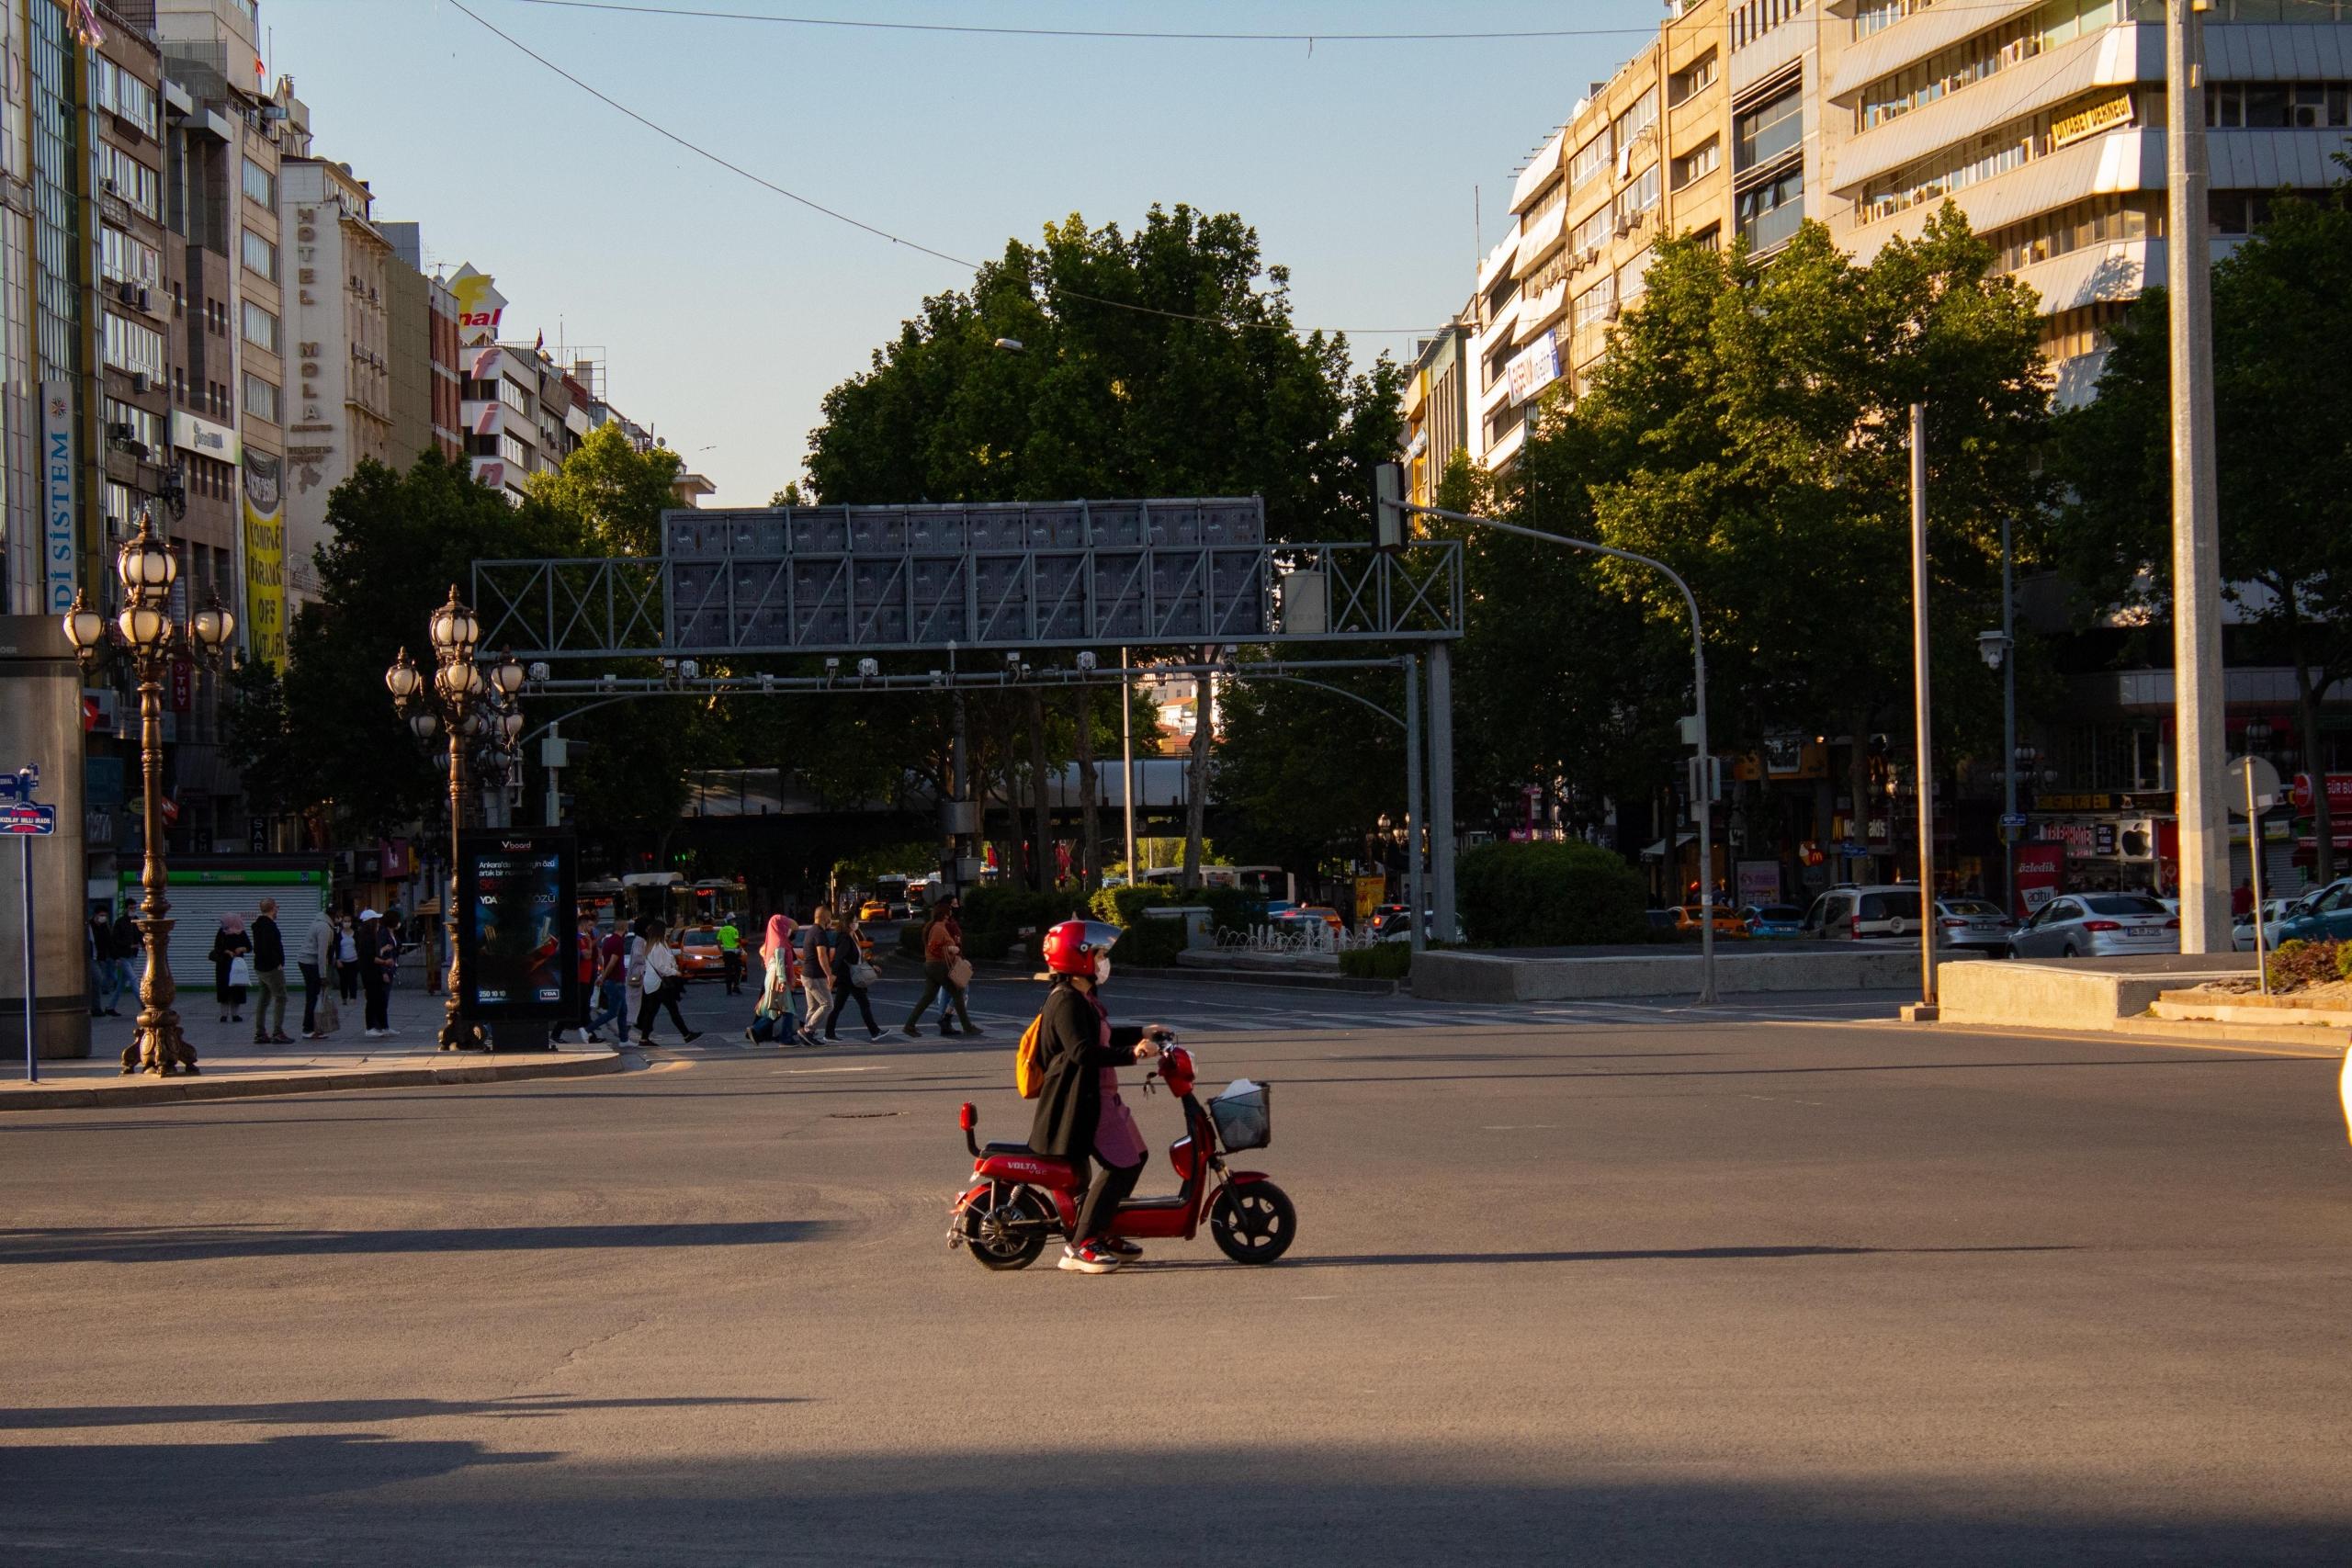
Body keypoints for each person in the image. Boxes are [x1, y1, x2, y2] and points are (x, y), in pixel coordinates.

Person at [1027, 919, 1163, 1275]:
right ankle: (1081, 1245)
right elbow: (1082, 1052)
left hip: (1103, 1094)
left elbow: (1101, 1036)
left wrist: (1143, 1032)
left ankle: (1103, 1229)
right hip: (1085, 1100)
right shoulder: (1066, 1002)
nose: (1104, 961)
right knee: (1123, 1163)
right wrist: (1133, 1054)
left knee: (1137, 1155)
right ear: (1080, 958)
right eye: (1100, 954)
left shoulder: (1082, 998)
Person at [905, 899, 976, 1038]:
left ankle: (909, 1025)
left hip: (932, 965)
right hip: (939, 965)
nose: (951, 911)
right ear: (944, 914)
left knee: (928, 997)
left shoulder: (936, 926)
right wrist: (950, 948)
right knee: (957, 992)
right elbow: (933, 947)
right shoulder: (938, 928)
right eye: (949, 909)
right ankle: (967, 1026)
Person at [634, 919, 703, 1044]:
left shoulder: (652, 945)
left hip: (653, 984)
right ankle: (686, 1035)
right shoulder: (658, 946)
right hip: (660, 984)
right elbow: (661, 967)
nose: (667, 932)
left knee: (652, 1012)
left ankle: (644, 1038)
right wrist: (675, 972)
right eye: (665, 930)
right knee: (672, 1010)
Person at [820, 908, 884, 1042]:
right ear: (849, 923)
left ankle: (829, 1033)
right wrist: (833, 975)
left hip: (848, 978)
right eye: (855, 921)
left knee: (838, 1006)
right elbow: (839, 958)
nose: (857, 923)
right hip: (849, 977)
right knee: (864, 1004)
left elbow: (859, 957)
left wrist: (872, 965)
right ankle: (875, 1031)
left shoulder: (852, 937)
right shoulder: (845, 938)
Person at [745, 912, 804, 1046]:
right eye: (787, 926)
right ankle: (784, 1038)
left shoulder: (775, 941)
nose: (790, 930)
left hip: (774, 978)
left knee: (779, 1009)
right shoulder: (779, 942)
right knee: (788, 1009)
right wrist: (783, 981)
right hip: (778, 979)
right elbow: (780, 963)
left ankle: (758, 1030)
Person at [249, 897, 291, 1044]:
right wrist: (278, 963)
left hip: (260, 967)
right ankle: (278, 1032)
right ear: (273, 908)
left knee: (264, 999)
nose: (277, 910)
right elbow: (269, 947)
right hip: (271, 968)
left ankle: (260, 1032)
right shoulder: (269, 926)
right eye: (277, 907)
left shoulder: (257, 925)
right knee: (281, 997)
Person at [357, 908, 398, 1038]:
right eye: (376, 920)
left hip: (374, 971)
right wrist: (385, 963)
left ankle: (383, 1026)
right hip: (370, 972)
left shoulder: (372, 936)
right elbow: (369, 957)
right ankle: (370, 1027)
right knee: (372, 1000)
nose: (378, 922)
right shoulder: (366, 938)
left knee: (380, 1000)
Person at [590, 921, 630, 1043]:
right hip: (616, 981)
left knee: (623, 1011)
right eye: (627, 926)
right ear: (623, 927)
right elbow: (612, 962)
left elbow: (605, 960)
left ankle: (624, 1040)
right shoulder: (618, 942)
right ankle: (587, 1030)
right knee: (613, 1012)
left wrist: (603, 976)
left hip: (614, 981)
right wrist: (603, 977)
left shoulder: (609, 941)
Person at [209, 914, 253, 1026]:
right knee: (224, 989)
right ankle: (224, 1014)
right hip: (224, 965)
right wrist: (227, 951)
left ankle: (235, 1014)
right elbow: (217, 947)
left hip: (237, 965)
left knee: (237, 989)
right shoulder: (222, 932)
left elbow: (249, 947)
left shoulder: (241, 932)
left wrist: (241, 949)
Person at [301, 904, 338, 1039]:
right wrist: (323, 976)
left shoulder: (319, 922)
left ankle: (311, 1027)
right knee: (312, 996)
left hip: (306, 961)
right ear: (334, 915)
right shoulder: (324, 928)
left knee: (313, 995)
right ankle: (308, 1028)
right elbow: (322, 954)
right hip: (310, 963)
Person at [798, 907, 835, 1039]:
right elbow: (822, 955)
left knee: (813, 1007)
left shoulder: (810, 931)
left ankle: (807, 1036)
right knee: (827, 1005)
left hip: (807, 974)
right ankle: (807, 1031)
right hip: (815, 975)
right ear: (825, 918)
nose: (830, 921)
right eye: (829, 917)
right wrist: (829, 974)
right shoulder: (820, 933)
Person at [88, 908, 117, 1018]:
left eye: (105, 915)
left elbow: (109, 942)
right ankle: (96, 1008)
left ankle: (95, 1007)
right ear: (95, 915)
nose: (103, 917)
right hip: (91, 958)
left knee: (97, 983)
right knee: (97, 979)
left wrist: (115, 957)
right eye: (101, 915)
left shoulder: (104, 927)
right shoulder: (89, 926)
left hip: (101, 958)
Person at [335, 914, 362, 1002]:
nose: (347, 923)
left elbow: (359, 947)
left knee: (353, 979)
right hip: (342, 961)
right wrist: (338, 960)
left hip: (354, 960)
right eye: (345, 921)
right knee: (343, 980)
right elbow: (336, 948)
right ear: (342, 922)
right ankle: (344, 997)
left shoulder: (356, 934)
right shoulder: (339, 935)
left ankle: (353, 997)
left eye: (349, 921)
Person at [717, 914, 744, 996]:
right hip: (734, 953)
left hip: (726, 953)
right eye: (733, 920)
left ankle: (728, 991)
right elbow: (736, 939)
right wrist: (740, 939)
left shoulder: (722, 929)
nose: (734, 922)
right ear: (731, 921)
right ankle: (736, 986)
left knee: (728, 972)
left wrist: (721, 950)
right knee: (739, 970)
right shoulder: (734, 930)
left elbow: (718, 941)